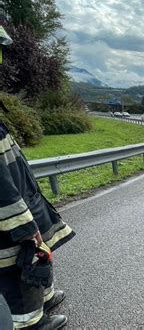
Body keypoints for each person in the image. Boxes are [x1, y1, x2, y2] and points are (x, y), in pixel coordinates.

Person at [0, 108, 75, 329]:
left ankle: (45, 298)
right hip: (10, 220)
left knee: (40, 252)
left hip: (23, 205)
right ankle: (31, 323)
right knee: (19, 267)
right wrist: (24, 225)